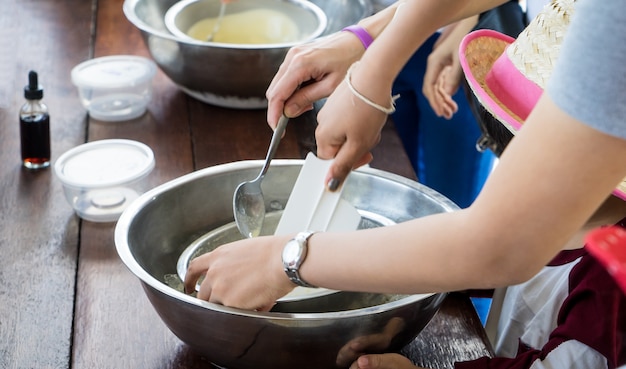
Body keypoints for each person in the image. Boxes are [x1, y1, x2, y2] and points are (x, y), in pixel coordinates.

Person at [185, 0, 626, 365]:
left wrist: (286, 259)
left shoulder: (606, 289)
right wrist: (368, 47)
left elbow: (497, 246)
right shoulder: (561, 221)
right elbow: (477, 256)